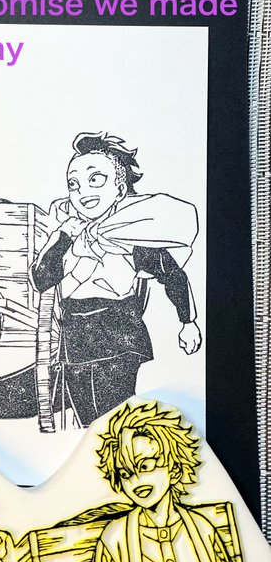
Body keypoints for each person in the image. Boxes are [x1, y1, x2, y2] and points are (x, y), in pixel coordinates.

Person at [31, 131, 201, 427]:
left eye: (95, 179)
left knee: (114, 422)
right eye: (74, 184)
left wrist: (188, 322)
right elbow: (42, 279)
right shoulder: (66, 233)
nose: (83, 191)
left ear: (120, 188)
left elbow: (172, 273)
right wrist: (64, 238)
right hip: (75, 342)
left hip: (118, 336)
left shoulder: (132, 233)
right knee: (88, 424)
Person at [86, 402, 255, 562]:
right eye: (125, 474)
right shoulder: (115, 538)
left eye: (145, 466)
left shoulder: (202, 529)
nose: (136, 481)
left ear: (174, 469)